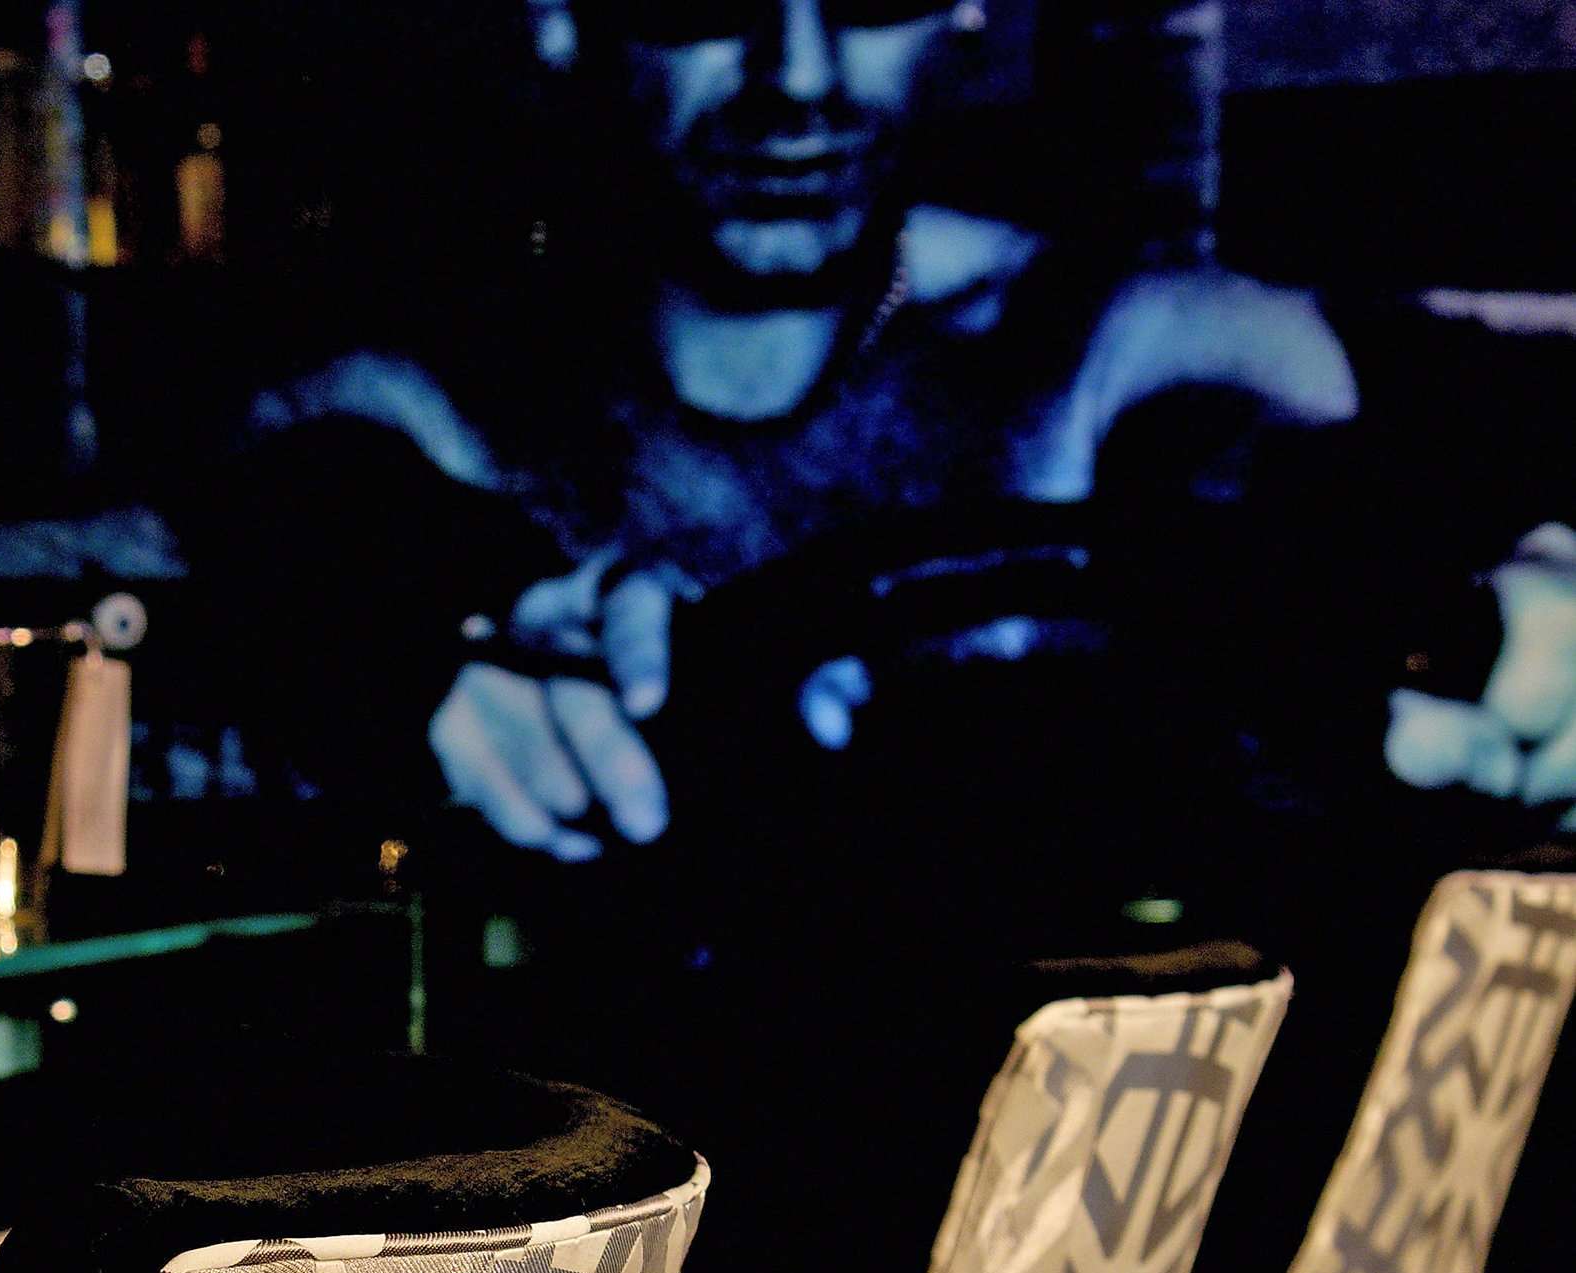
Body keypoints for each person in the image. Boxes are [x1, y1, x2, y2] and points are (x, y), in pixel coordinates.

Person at [214, 2, 1574, 873]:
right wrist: (392, 617)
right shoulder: (440, 397)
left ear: (965, 10)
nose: (795, 76)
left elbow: (1330, 455)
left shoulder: (1107, 342)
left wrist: (1516, 585)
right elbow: (265, 506)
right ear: (562, 19)